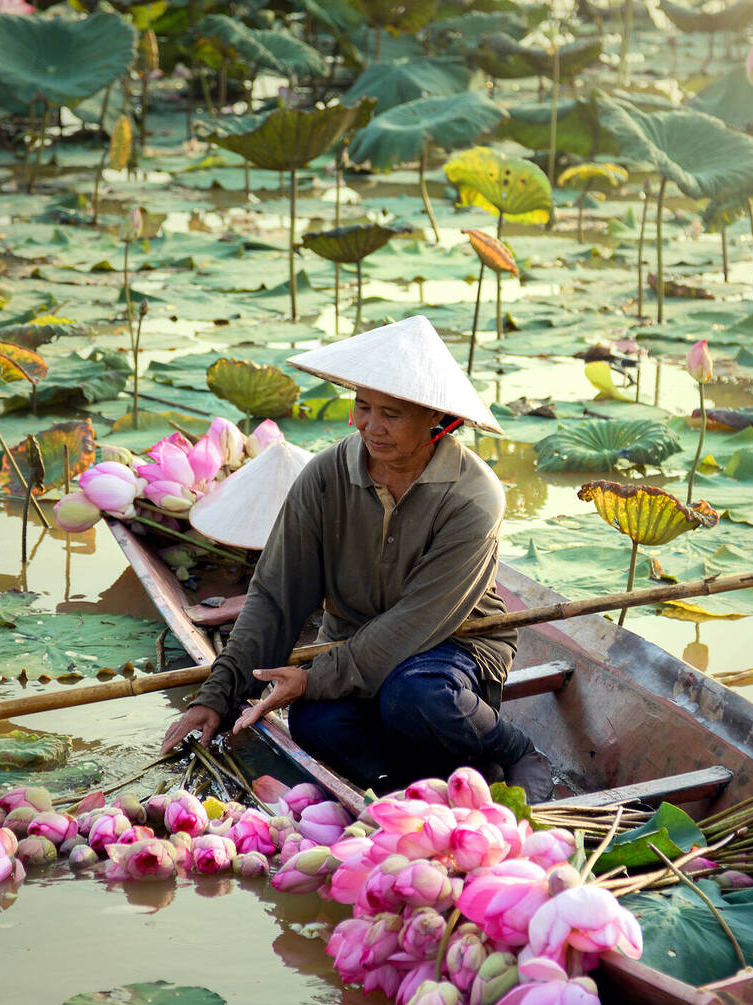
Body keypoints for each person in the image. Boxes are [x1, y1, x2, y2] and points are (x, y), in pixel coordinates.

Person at [159, 316, 553, 800]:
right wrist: (218, 697)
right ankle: (415, 783)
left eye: (392, 414)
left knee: (415, 697)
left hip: (451, 647)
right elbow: (276, 596)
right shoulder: (325, 476)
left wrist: (311, 678)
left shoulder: (473, 496)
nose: (372, 426)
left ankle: (513, 750)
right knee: (315, 723)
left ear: (436, 419)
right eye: (363, 407)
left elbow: (415, 623)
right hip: (350, 641)